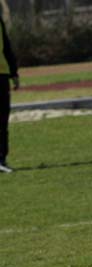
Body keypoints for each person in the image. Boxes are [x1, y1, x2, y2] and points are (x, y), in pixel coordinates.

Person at [0, 15, 19, 174]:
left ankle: (1, 159)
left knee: (2, 120)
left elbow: (6, 46)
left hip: (1, 75)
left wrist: (14, 72)